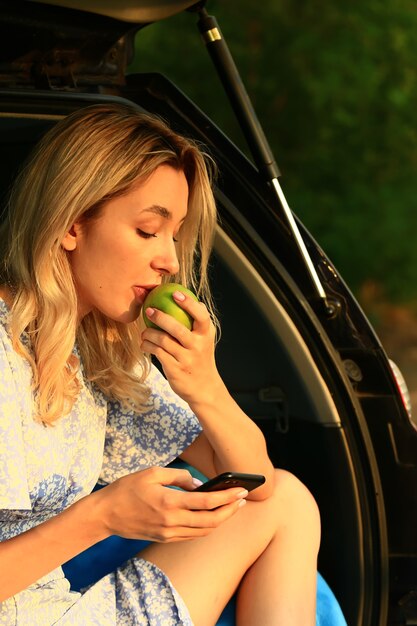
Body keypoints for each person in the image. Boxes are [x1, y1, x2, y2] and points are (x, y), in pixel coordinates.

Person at [0, 103, 320, 626]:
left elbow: (256, 481)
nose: (170, 260)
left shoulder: (93, 356)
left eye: (175, 235)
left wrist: (204, 385)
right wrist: (101, 517)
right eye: (149, 231)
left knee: (288, 501)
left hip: (61, 613)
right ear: (71, 226)